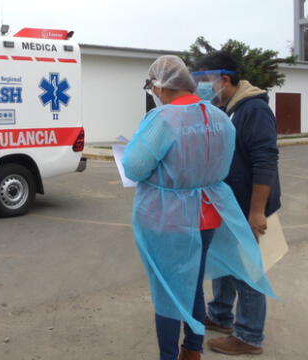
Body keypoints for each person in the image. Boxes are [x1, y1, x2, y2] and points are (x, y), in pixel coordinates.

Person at [122, 55, 276, 360]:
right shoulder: (219, 117)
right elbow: (224, 162)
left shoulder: (162, 119)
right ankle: (192, 349)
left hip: (167, 219)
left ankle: (169, 354)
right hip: (207, 214)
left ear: (159, 85)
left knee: (167, 289)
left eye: (150, 85)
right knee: (191, 280)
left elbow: (135, 166)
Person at [192, 52, 281, 355]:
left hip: (247, 206)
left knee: (246, 270)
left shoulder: (253, 109)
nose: (201, 87)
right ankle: (219, 315)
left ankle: (249, 335)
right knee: (224, 261)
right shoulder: (226, 108)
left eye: (204, 81)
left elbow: (265, 159)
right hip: (228, 203)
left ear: (224, 79)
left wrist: (257, 211)